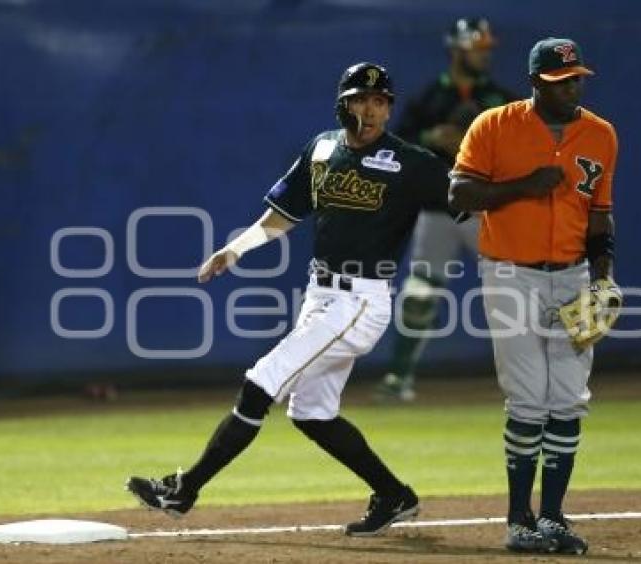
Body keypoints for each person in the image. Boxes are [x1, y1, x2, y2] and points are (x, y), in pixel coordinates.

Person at [126, 62, 462, 536]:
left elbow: (466, 197)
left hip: (360, 301)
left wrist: (513, 185)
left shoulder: (409, 162)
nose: (369, 108)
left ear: (389, 109)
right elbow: (283, 214)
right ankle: (394, 494)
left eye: (379, 100)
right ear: (342, 104)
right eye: (359, 99)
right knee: (311, 413)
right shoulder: (323, 148)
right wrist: (234, 249)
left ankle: (184, 489)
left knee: (261, 383)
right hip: (321, 295)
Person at [449, 37, 619, 554]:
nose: (572, 87)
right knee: (528, 398)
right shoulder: (494, 125)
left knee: (568, 399)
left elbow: (599, 214)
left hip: (572, 277)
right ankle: (518, 520)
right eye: (559, 81)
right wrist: (525, 185)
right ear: (534, 83)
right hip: (510, 275)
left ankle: (552, 519)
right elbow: (458, 194)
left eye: (576, 78)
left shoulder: (601, 135)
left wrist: (604, 276)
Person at [376, 17, 516, 401]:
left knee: (514, 291)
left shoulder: (501, 99)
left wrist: (477, 145)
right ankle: (399, 378)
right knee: (419, 294)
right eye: (477, 47)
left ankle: (530, 377)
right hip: (437, 209)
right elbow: (396, 146)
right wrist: (430, 137)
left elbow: (522, 148)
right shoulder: (429, 100)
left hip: (485, 211)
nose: (485, 55)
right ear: (457, 49)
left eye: (487, 48)